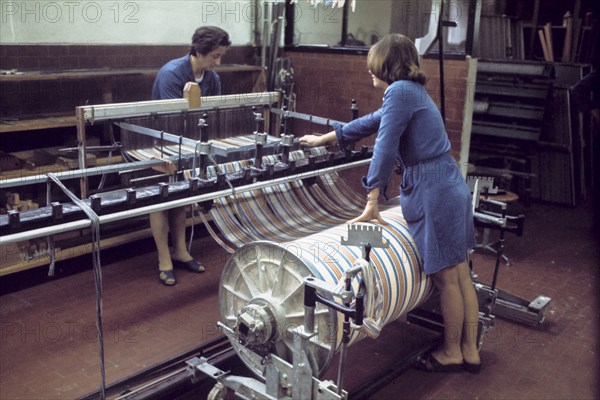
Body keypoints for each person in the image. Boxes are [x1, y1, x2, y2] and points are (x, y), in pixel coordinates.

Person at [299, 34, 481, 373]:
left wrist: (372, 199)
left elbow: (384, 146)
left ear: (387, 64)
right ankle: (470, 351)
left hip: (432, 190)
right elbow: (372, 122)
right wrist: (326, 138)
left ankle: (452, 352)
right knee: (460, 275)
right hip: (448, 182)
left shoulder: (399, 91)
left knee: (446, 280)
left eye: (373, 65)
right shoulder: (411, 92)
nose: (369, 71)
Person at [151, 26, 231, 286]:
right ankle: (164, 258)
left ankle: (181, 251)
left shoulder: (211, 78)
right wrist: (175, 154)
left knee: (182, 197)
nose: (217, 62)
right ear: (199, 51)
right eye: (214, 56)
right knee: (162, 200)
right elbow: (171, 118)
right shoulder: (171, 74)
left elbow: (213, 114)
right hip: (163, 142)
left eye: (220, 56)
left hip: (191, 143)